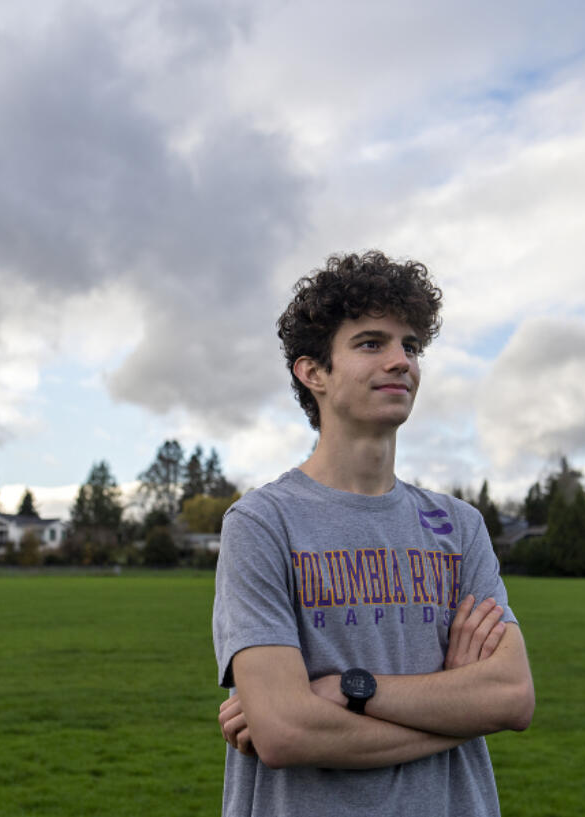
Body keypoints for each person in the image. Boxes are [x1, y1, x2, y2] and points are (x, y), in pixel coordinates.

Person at [212, 251, 535, 816]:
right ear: (313, 372)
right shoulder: (262, 523)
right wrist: (458, 709)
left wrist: (348, 690)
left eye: (410, 346)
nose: (401, 361)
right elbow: (288, 732)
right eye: (371, 343)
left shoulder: (459, 527)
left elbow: (510, 696)